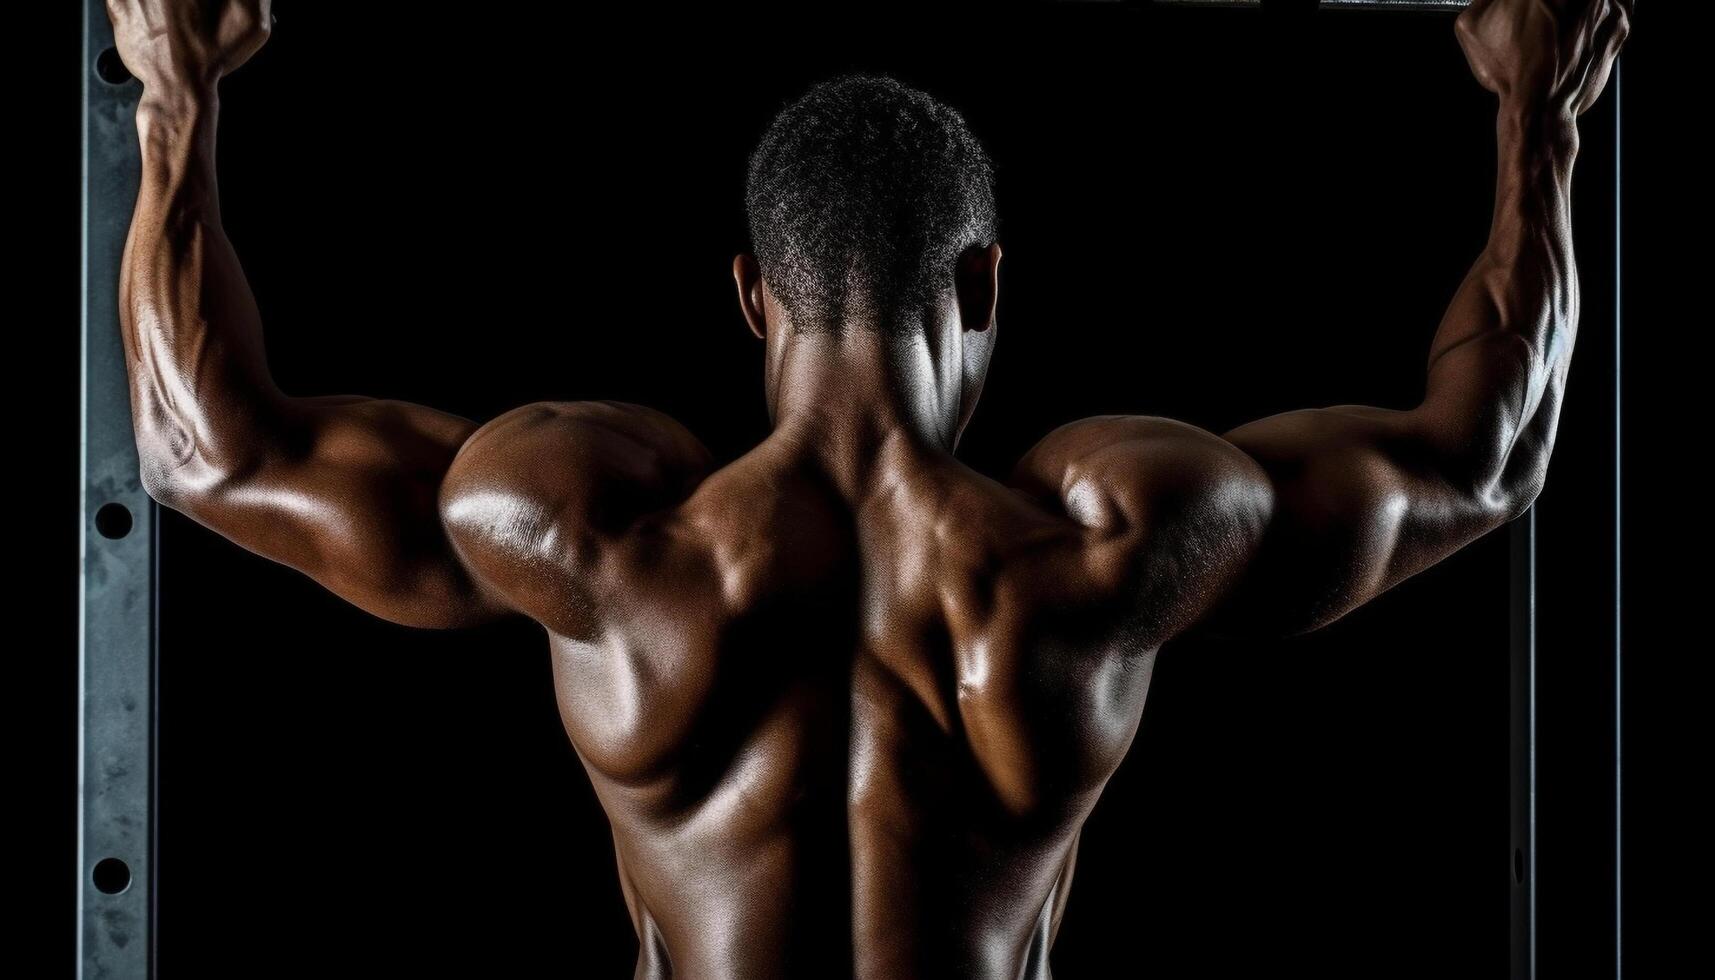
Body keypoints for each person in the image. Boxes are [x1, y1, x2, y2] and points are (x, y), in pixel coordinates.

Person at [104, 0, 1632, 976]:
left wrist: (178, 98)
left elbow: (206, 451)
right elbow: (1484, 455)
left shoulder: (606, 541)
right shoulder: (1105, 550)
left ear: (754, 299)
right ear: (983, 283)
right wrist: (1535, 118)